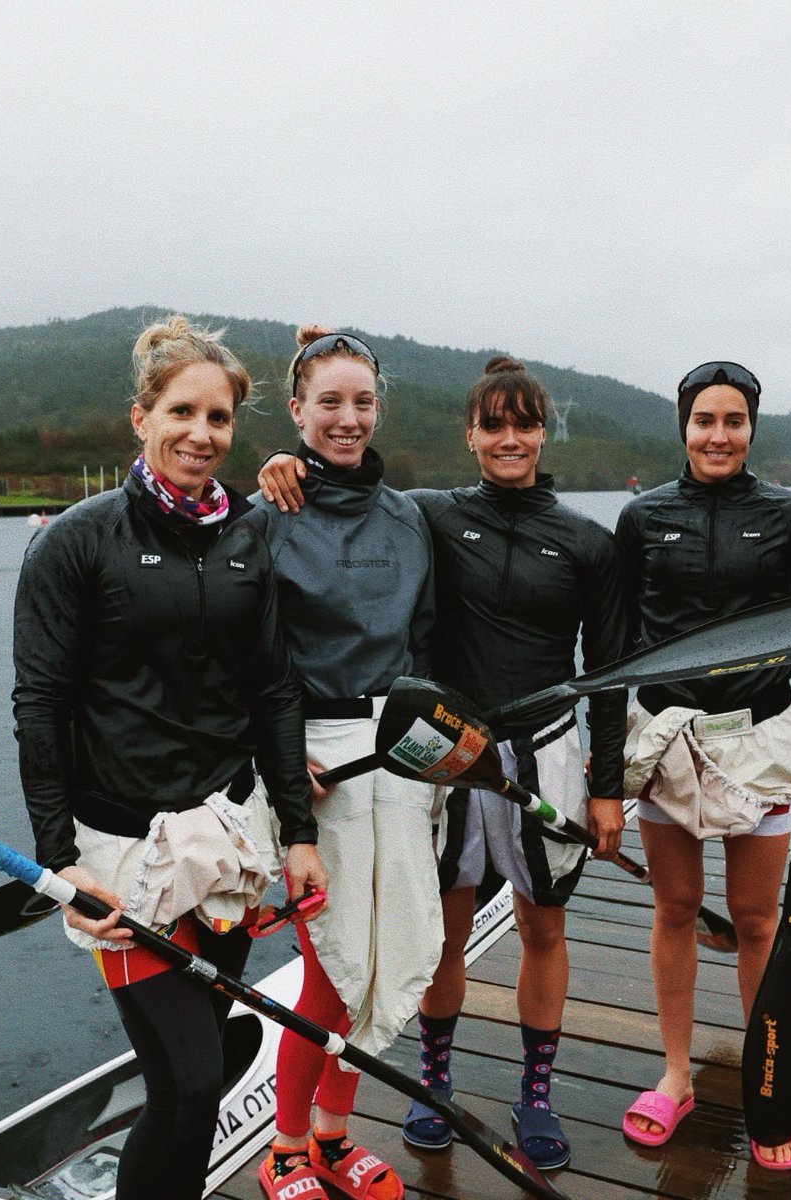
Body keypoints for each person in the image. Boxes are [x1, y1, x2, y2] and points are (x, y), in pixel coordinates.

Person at [258, 355, 628, 1172]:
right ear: (469, 435)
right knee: (444, 928)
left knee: (542, 925)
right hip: (445, 751)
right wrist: (286, 468)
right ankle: (437, 1082)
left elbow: (607, 673)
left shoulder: (587, 541)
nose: (508, 438)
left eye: (523, 422)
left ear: (541, 432)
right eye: (491, 424)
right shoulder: (423, 514)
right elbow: (343, 501)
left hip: (545, 746)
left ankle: (536, 1093)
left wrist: (608, 790)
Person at [12, 316, 326, 1200]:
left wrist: (296, 835)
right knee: (187, 1083)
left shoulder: (248, 538)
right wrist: (60, 864)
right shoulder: (75, 540)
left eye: (219, 418)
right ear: (140, 417)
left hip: (226, 837)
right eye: (181, 411)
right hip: (122, 858)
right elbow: (39, 704)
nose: (201, 434)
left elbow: (274, 692)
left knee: (202, 1069)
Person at [614, 361, 791, 1171]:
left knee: (756, 920)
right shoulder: (642, 517)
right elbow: (616, 642)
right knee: (675, 908)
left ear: (753, 428)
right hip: (665, 735)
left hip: (759, 736)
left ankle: (767, 1082)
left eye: (734, 421)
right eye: (704, 420)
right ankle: (676, 1074)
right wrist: (602, 767)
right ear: (682, 427)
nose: (719, 435)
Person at [249, 327, 440, 1200]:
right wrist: (281, 769)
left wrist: (439, 752)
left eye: (362, 401)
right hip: (314, 759)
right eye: (329, 401)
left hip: (397, 758)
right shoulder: (266, 517)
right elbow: (247, 661)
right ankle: (285, 1145)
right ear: (296, 413)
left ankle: (332, 1134)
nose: (347, 417)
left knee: (389, 950)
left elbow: (424, 644)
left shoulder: (408, 517)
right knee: (331, 967)